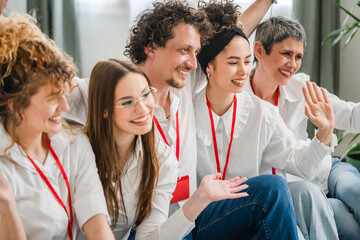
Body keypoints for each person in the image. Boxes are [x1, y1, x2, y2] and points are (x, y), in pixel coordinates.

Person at [65, 0, 300, 239]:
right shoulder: (115, 88)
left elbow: (233, 35)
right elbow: (51, 89)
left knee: (273, 189)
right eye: (184, 50)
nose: (192, 62)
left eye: (196, 52)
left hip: (192, 216)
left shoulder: (185, 79)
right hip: (147, 228)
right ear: (151, 47)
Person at [193, 2, 338, 240]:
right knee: (273, 188)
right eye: (233, 62)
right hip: (195, 214)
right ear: (209, 66)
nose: (243, 71)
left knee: (280, 189)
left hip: (242, 211)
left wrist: (324, 133)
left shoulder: (262, 114)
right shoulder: (186, 108)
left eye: (247, 61)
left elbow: (302, 166)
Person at [85, 59, 249, 239]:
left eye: (146, 94)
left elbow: (148, 237)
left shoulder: (161, 159)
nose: (143, 108)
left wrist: (200, 198)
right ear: (104, 110)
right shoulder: (77, 149)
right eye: (127, 102)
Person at [0, 13, 114, 240]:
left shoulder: (74, 143)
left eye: (64, 93)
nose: (64, 106)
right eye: (52, 98)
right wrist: (7, 207)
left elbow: (99, 229)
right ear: (14, 105)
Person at [248, 16, 360, 239]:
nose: (293, 64)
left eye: (298, 56)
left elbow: (349, 115)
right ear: (259, 51)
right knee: (346, 223)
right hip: (301, 186)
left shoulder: (300, 88)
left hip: (329, 169)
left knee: (354, 191)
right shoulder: (242, 102)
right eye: (286, 54)